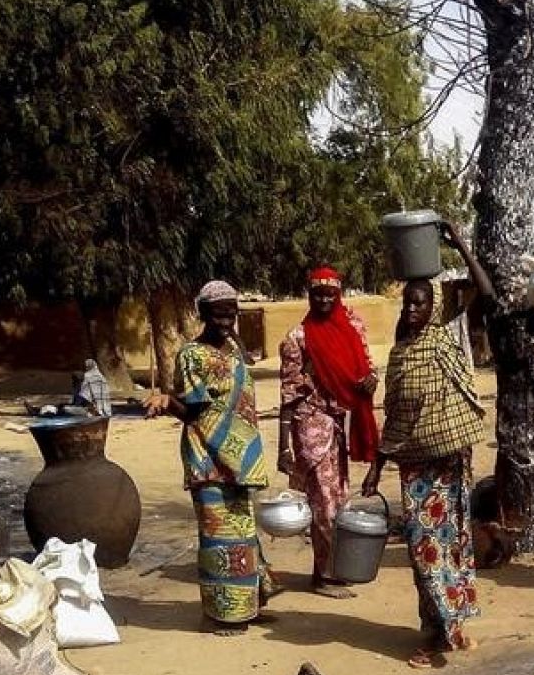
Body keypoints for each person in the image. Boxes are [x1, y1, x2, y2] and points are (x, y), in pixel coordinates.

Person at [361, 221, 493, 667]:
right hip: (415, 467)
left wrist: (458, 241)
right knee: (423, 550)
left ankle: (448, 630)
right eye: (407, 302)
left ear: (433, 305)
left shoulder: (446, 337)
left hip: (450, 461)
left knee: (452, 545)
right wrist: (376, 467)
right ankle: (437, 630)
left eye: (420, 302)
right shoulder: (401, 353)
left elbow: (486, 293)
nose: (413, 309)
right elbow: (395, 415)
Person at [143, 280, 275, 633]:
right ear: (202, 314)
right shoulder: (191, 355)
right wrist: (167, 401)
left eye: (231, 314)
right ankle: (221, 614)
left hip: (240, 460)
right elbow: (192, 411)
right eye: (218, 315)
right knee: (218, 535)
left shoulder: (234, 348)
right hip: (208, 457)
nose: (226, 321)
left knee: (243, 531)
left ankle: (247, 605)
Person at [278, 265, 379, 599]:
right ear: (309, 295)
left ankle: (331, 567)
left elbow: (367, 367)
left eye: (330, 295)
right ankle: (324, 576)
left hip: (338, 426)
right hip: (310, 427)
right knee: (323, 501)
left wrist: (370, 381)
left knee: (338, 499)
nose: (323, 300)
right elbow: (289, 395)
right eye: (317, 294)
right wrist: (284, 448)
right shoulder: (297, 338)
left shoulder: (352, 327)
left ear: (339, 295)